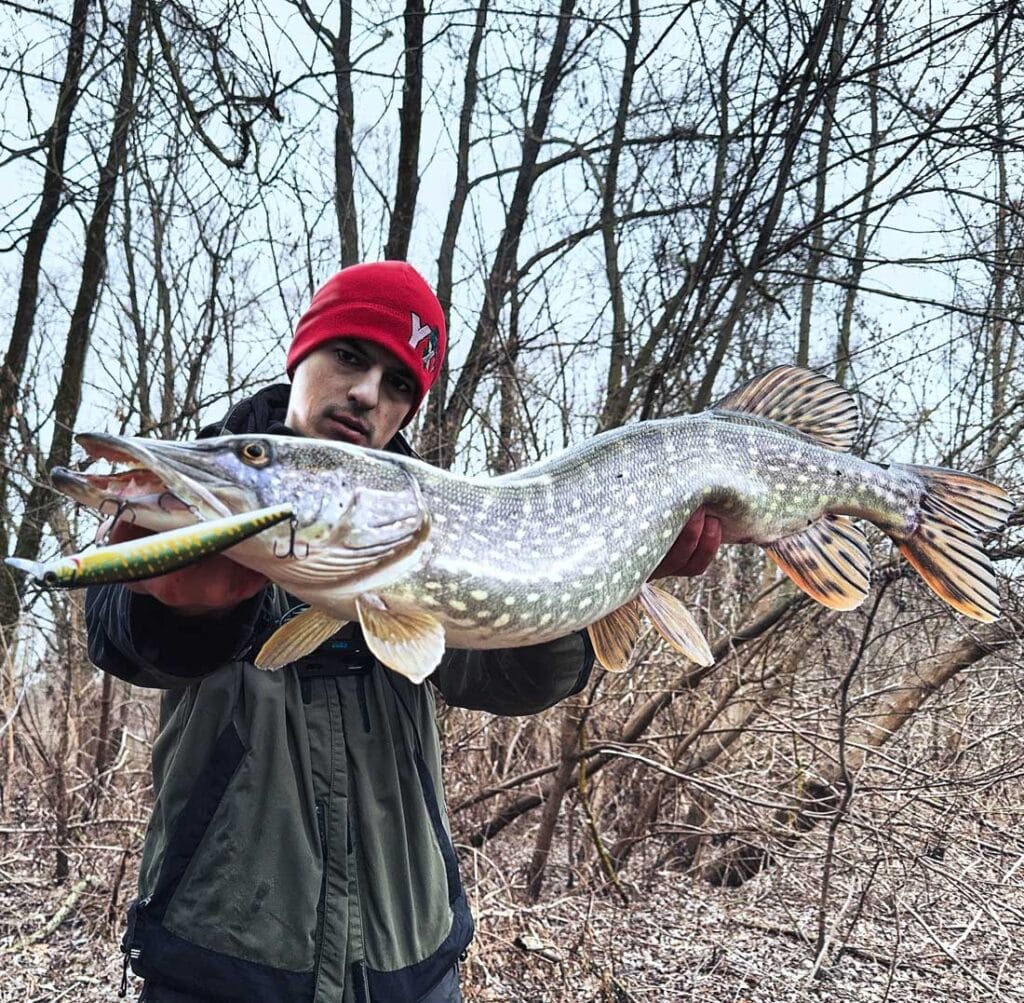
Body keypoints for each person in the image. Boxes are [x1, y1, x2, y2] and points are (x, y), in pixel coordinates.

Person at [86, 262, 721, 1003]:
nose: (367, 393)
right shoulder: (217, 480)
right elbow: (120, 636)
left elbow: (515, 679)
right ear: (303, 355)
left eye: (398, 385)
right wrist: (187, 606)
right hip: (220, 961)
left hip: (406, 963)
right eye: (351, 357)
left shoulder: (434, 522)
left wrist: (609, 571)